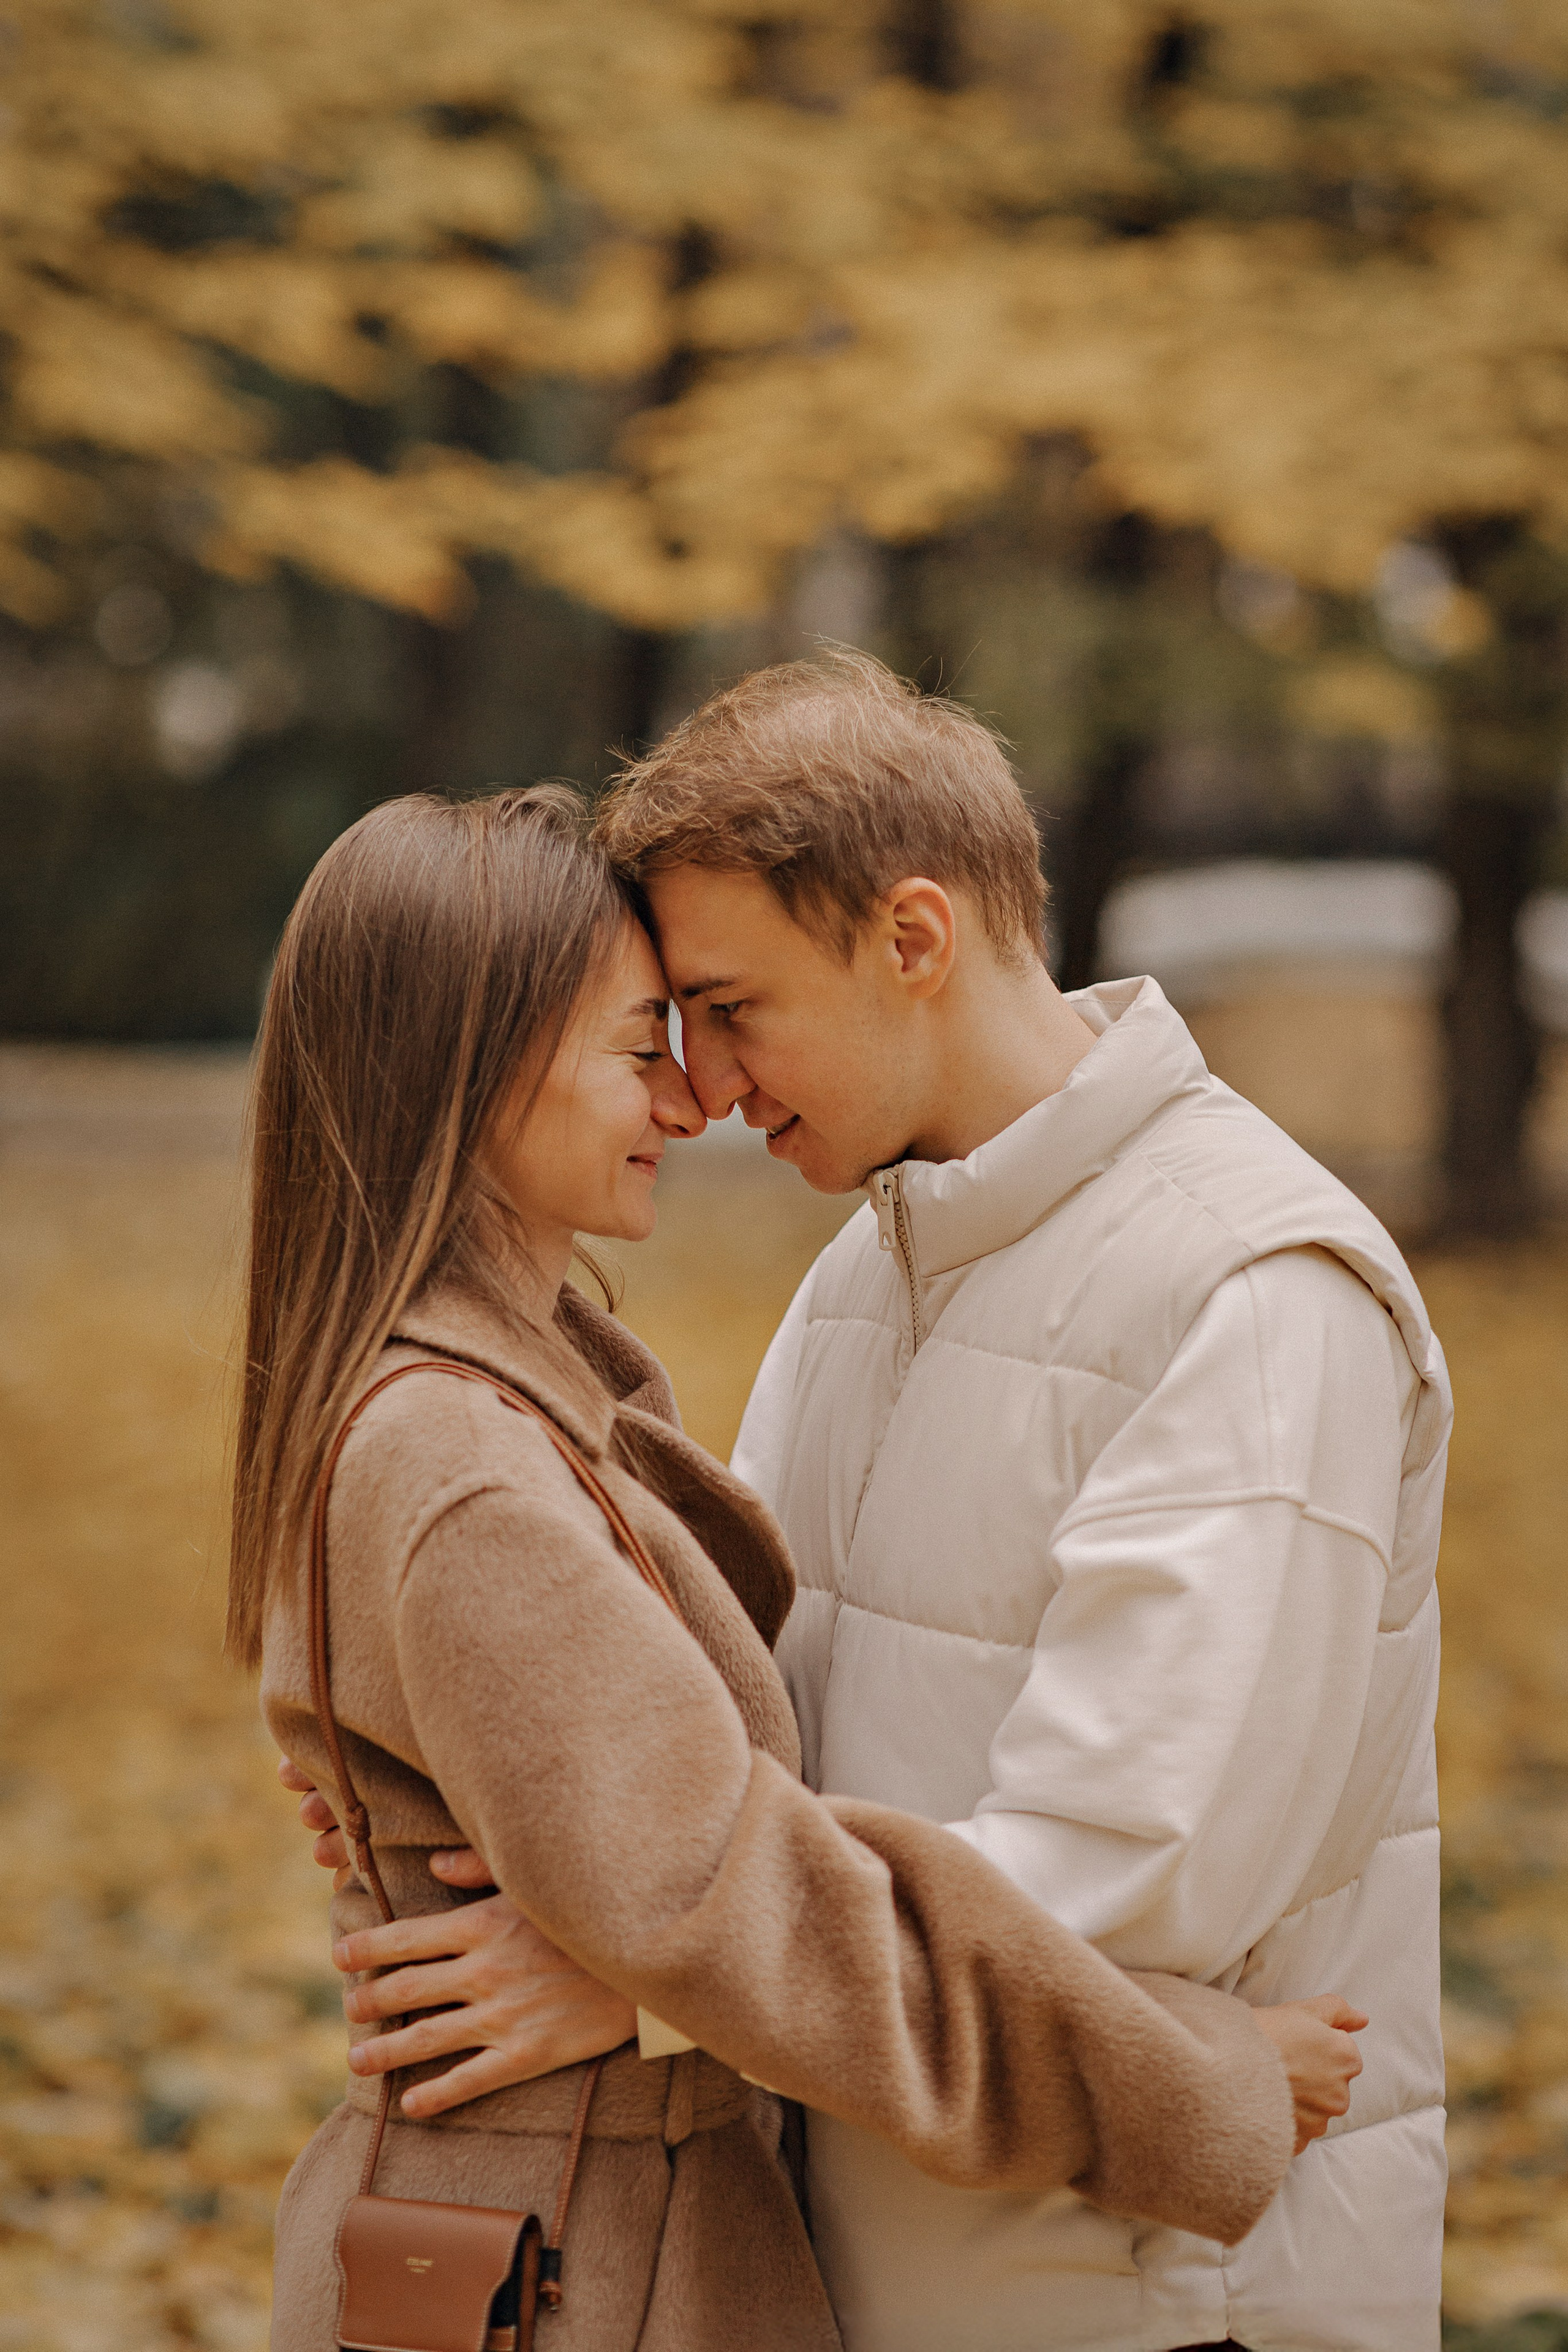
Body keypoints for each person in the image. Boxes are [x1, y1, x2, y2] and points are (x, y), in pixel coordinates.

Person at [316, 655, 1447, 2352]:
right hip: (880, 2268)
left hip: (1145, 2299)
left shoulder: (1248, 1294)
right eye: (673, 1028)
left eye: (733, 1005)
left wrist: (646, 1983)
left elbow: (1128, 1880)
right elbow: (731, 1744)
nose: (702, 1087)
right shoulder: (874, 1273)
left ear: (912, 940)